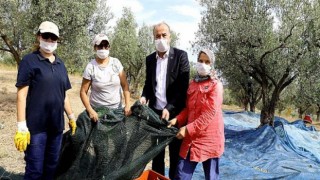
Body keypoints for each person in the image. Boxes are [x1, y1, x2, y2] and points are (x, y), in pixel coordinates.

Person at [14, 21, 77, 180]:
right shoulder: (29, 61)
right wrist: (21, 126)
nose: (49, 41)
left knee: (51, 167)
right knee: (35, 170)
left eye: (53, 38)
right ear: (38, 37)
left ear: (57, 40)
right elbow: (21, 95)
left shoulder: (61, 64)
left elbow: (64, 95)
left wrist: (71, 116)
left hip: (56, 127)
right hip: (36, 129)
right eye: (46, 36)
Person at [140, 22, 190, 179]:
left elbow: (182, 89)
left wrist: (169, 108)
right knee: (157, 154)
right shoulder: (150, 59)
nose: (160, 39)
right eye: (157, 36)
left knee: (175, 154)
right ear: (153, 38)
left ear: (170, 37)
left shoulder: (181, 56)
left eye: (164, 35)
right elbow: (149, 85)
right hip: (155, 115)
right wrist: (144, 96)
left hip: (175, 115)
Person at [168, 49, 224, 180]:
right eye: (200, 60)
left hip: (210, 139)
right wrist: (176, 120)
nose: (203, 64)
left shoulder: (216, 85)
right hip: (191, 139)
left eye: (207, 61)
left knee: (211, 177)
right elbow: (188, 109)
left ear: (212, 64)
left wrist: (187, 129)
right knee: (181, 176)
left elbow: (209, 113)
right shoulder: (193, 83)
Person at [80, 33, 131, 122]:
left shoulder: (116, 63)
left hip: (117, 110)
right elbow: (83, 92)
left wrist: (127, 104)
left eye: (106, 45)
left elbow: (125, 85)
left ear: (109, 47)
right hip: (97, 112)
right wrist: (90, 110)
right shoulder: (90, 66)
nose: (103, 48)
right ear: (95, 48)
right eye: (100, 46)